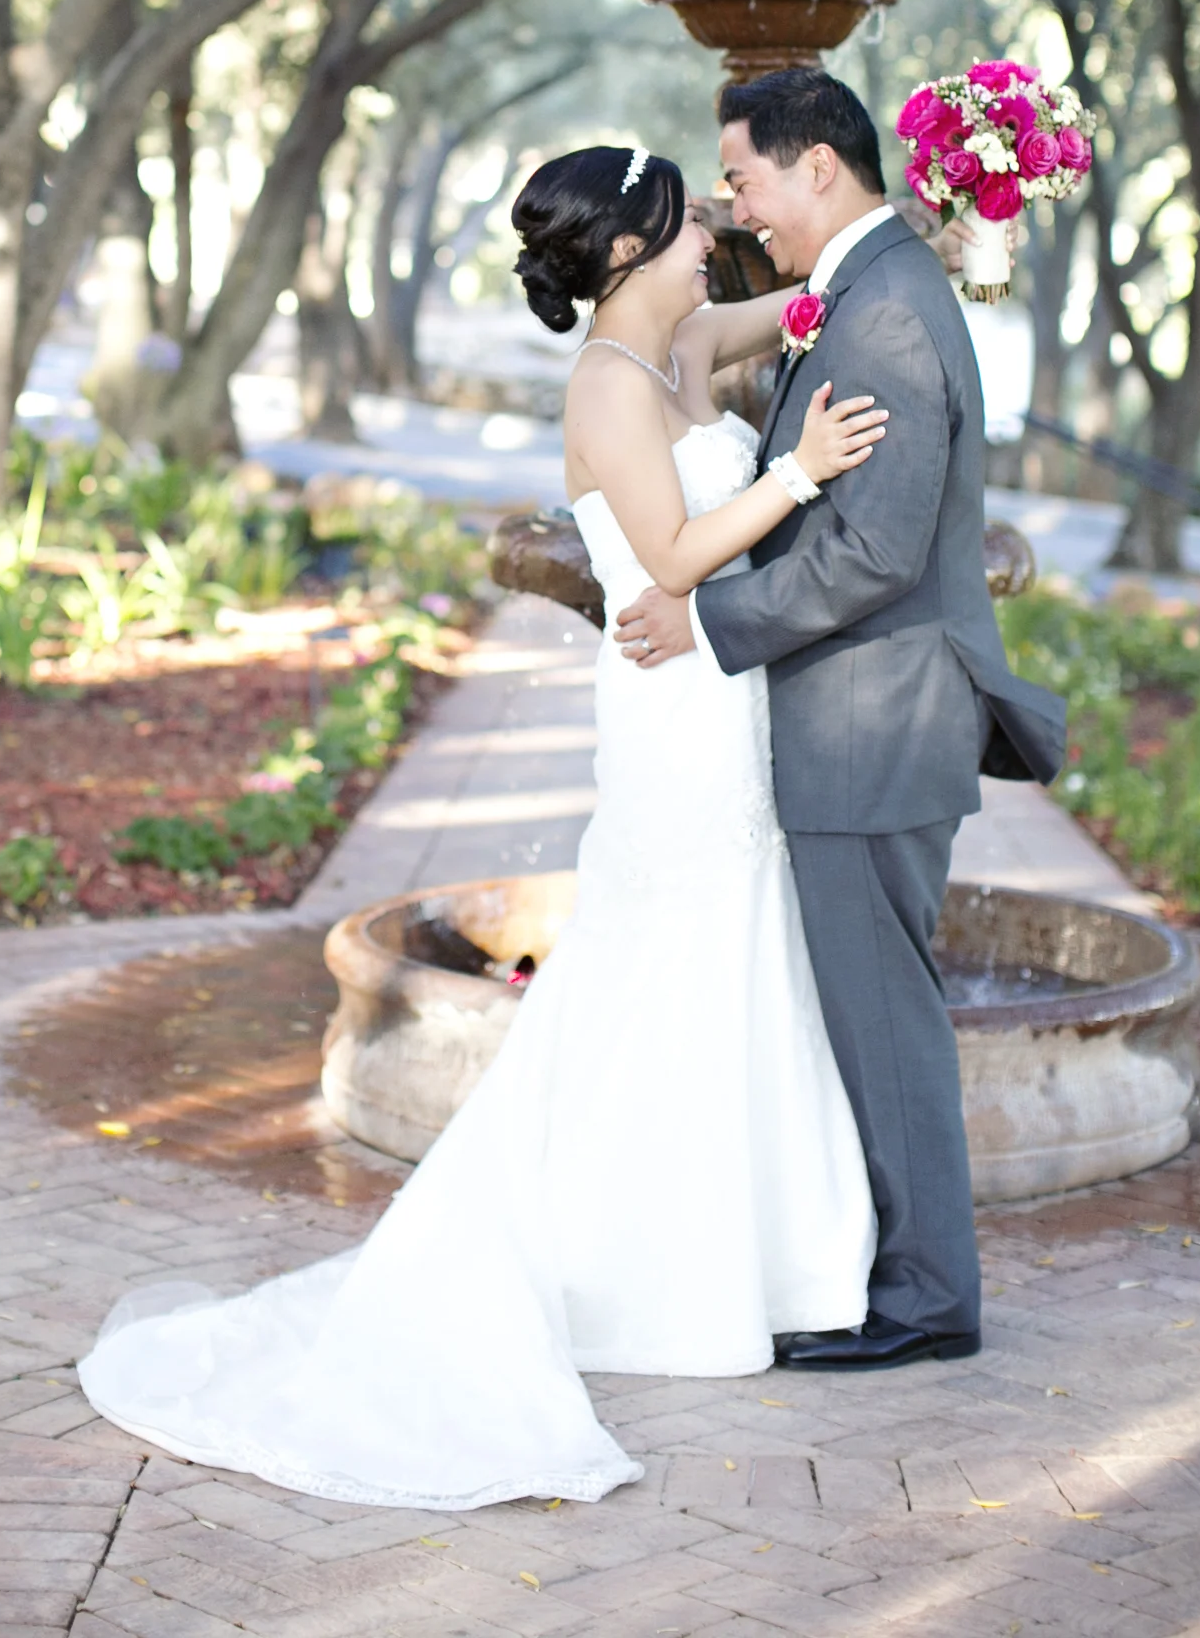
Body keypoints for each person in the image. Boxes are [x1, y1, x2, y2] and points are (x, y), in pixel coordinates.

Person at [78, 143, 887, 1508]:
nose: (712, 239)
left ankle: (756, 1259)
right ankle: (642, 1272)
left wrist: (917, 230)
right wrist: (800, 471)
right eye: (688, 224)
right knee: (660, 960)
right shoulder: (608, 386)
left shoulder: (685, 341)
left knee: (731, 957)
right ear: (625, 252)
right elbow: (674, 557)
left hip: (730, 700)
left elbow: (798, 305)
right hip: (674, 716)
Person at [616, 69, 1066, 1372]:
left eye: (744, 177)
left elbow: (873, 553)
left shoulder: (890, 315)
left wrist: (706, 622)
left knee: (884, 1016)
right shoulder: (864, 289)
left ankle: (927, 1300)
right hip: (858, 719)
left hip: (876, 725)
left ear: (819, 165)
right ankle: (892, 1270)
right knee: (866, 1012)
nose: (736, 205)